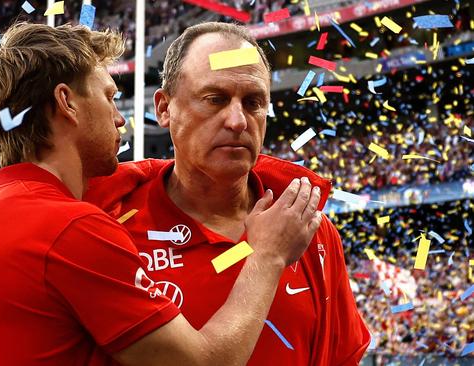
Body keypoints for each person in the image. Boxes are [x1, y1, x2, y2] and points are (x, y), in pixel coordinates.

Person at [0, 22, 324, 365]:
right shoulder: (74, 227)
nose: (119, 117)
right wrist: (268, 256)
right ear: (67, 103)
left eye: (254, 102)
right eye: (108, 97)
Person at [85, 22, 371, 365]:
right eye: (215, 99)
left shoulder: (310, 228)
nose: (237, 121)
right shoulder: (106, 226)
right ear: (163, 108)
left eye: (253, 102)